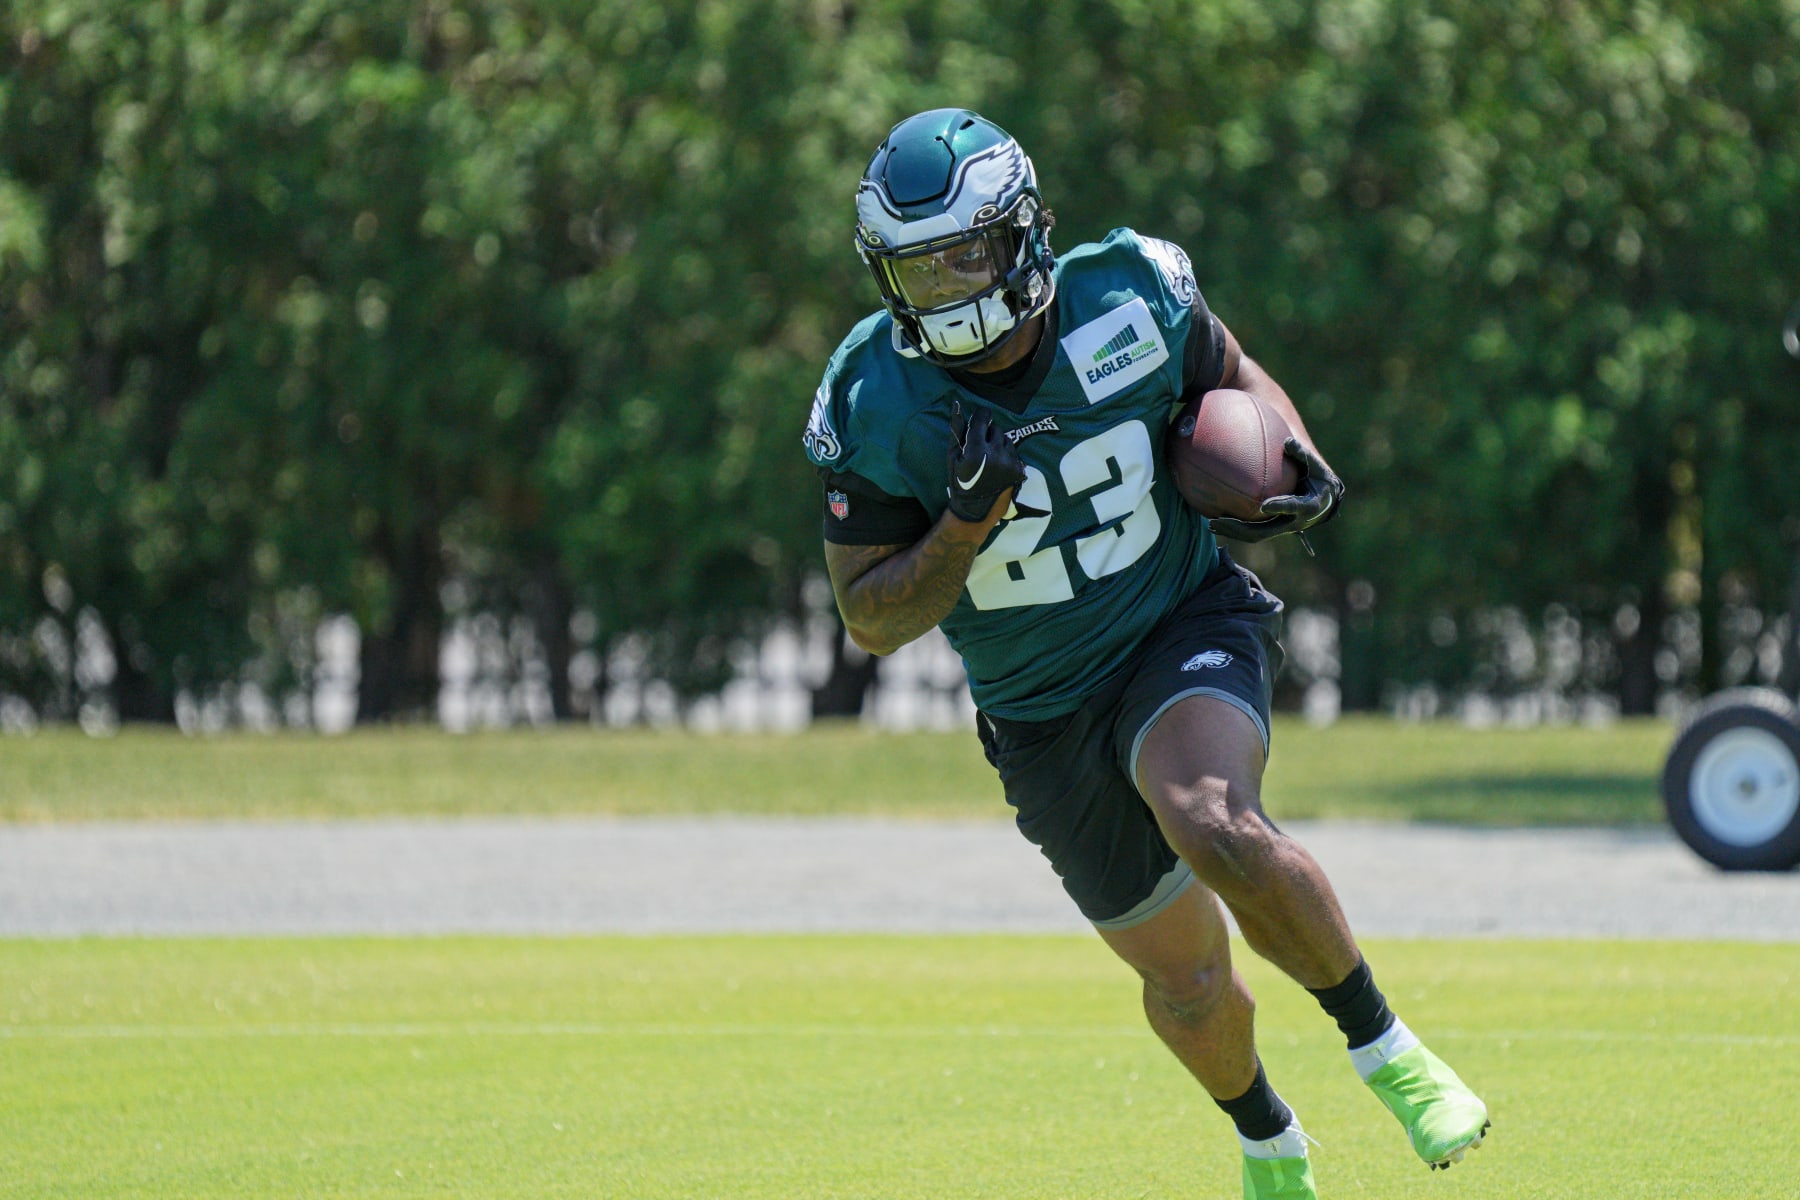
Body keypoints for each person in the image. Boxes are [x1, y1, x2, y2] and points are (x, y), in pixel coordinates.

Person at [801, 108, 1489, 1200]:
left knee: (1209, 814)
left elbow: (1242, 378)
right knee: (1186, 982)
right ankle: (1268, 1140)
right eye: (918, 272)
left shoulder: (1131, 291)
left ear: (1023, 235)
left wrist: (1293, 458)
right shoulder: (874, 397)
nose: (947, 290)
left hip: (1177, 621)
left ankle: (1390, 1054)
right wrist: (964, 525)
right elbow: (871, 618)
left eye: (965, 256)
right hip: (1037, 709)